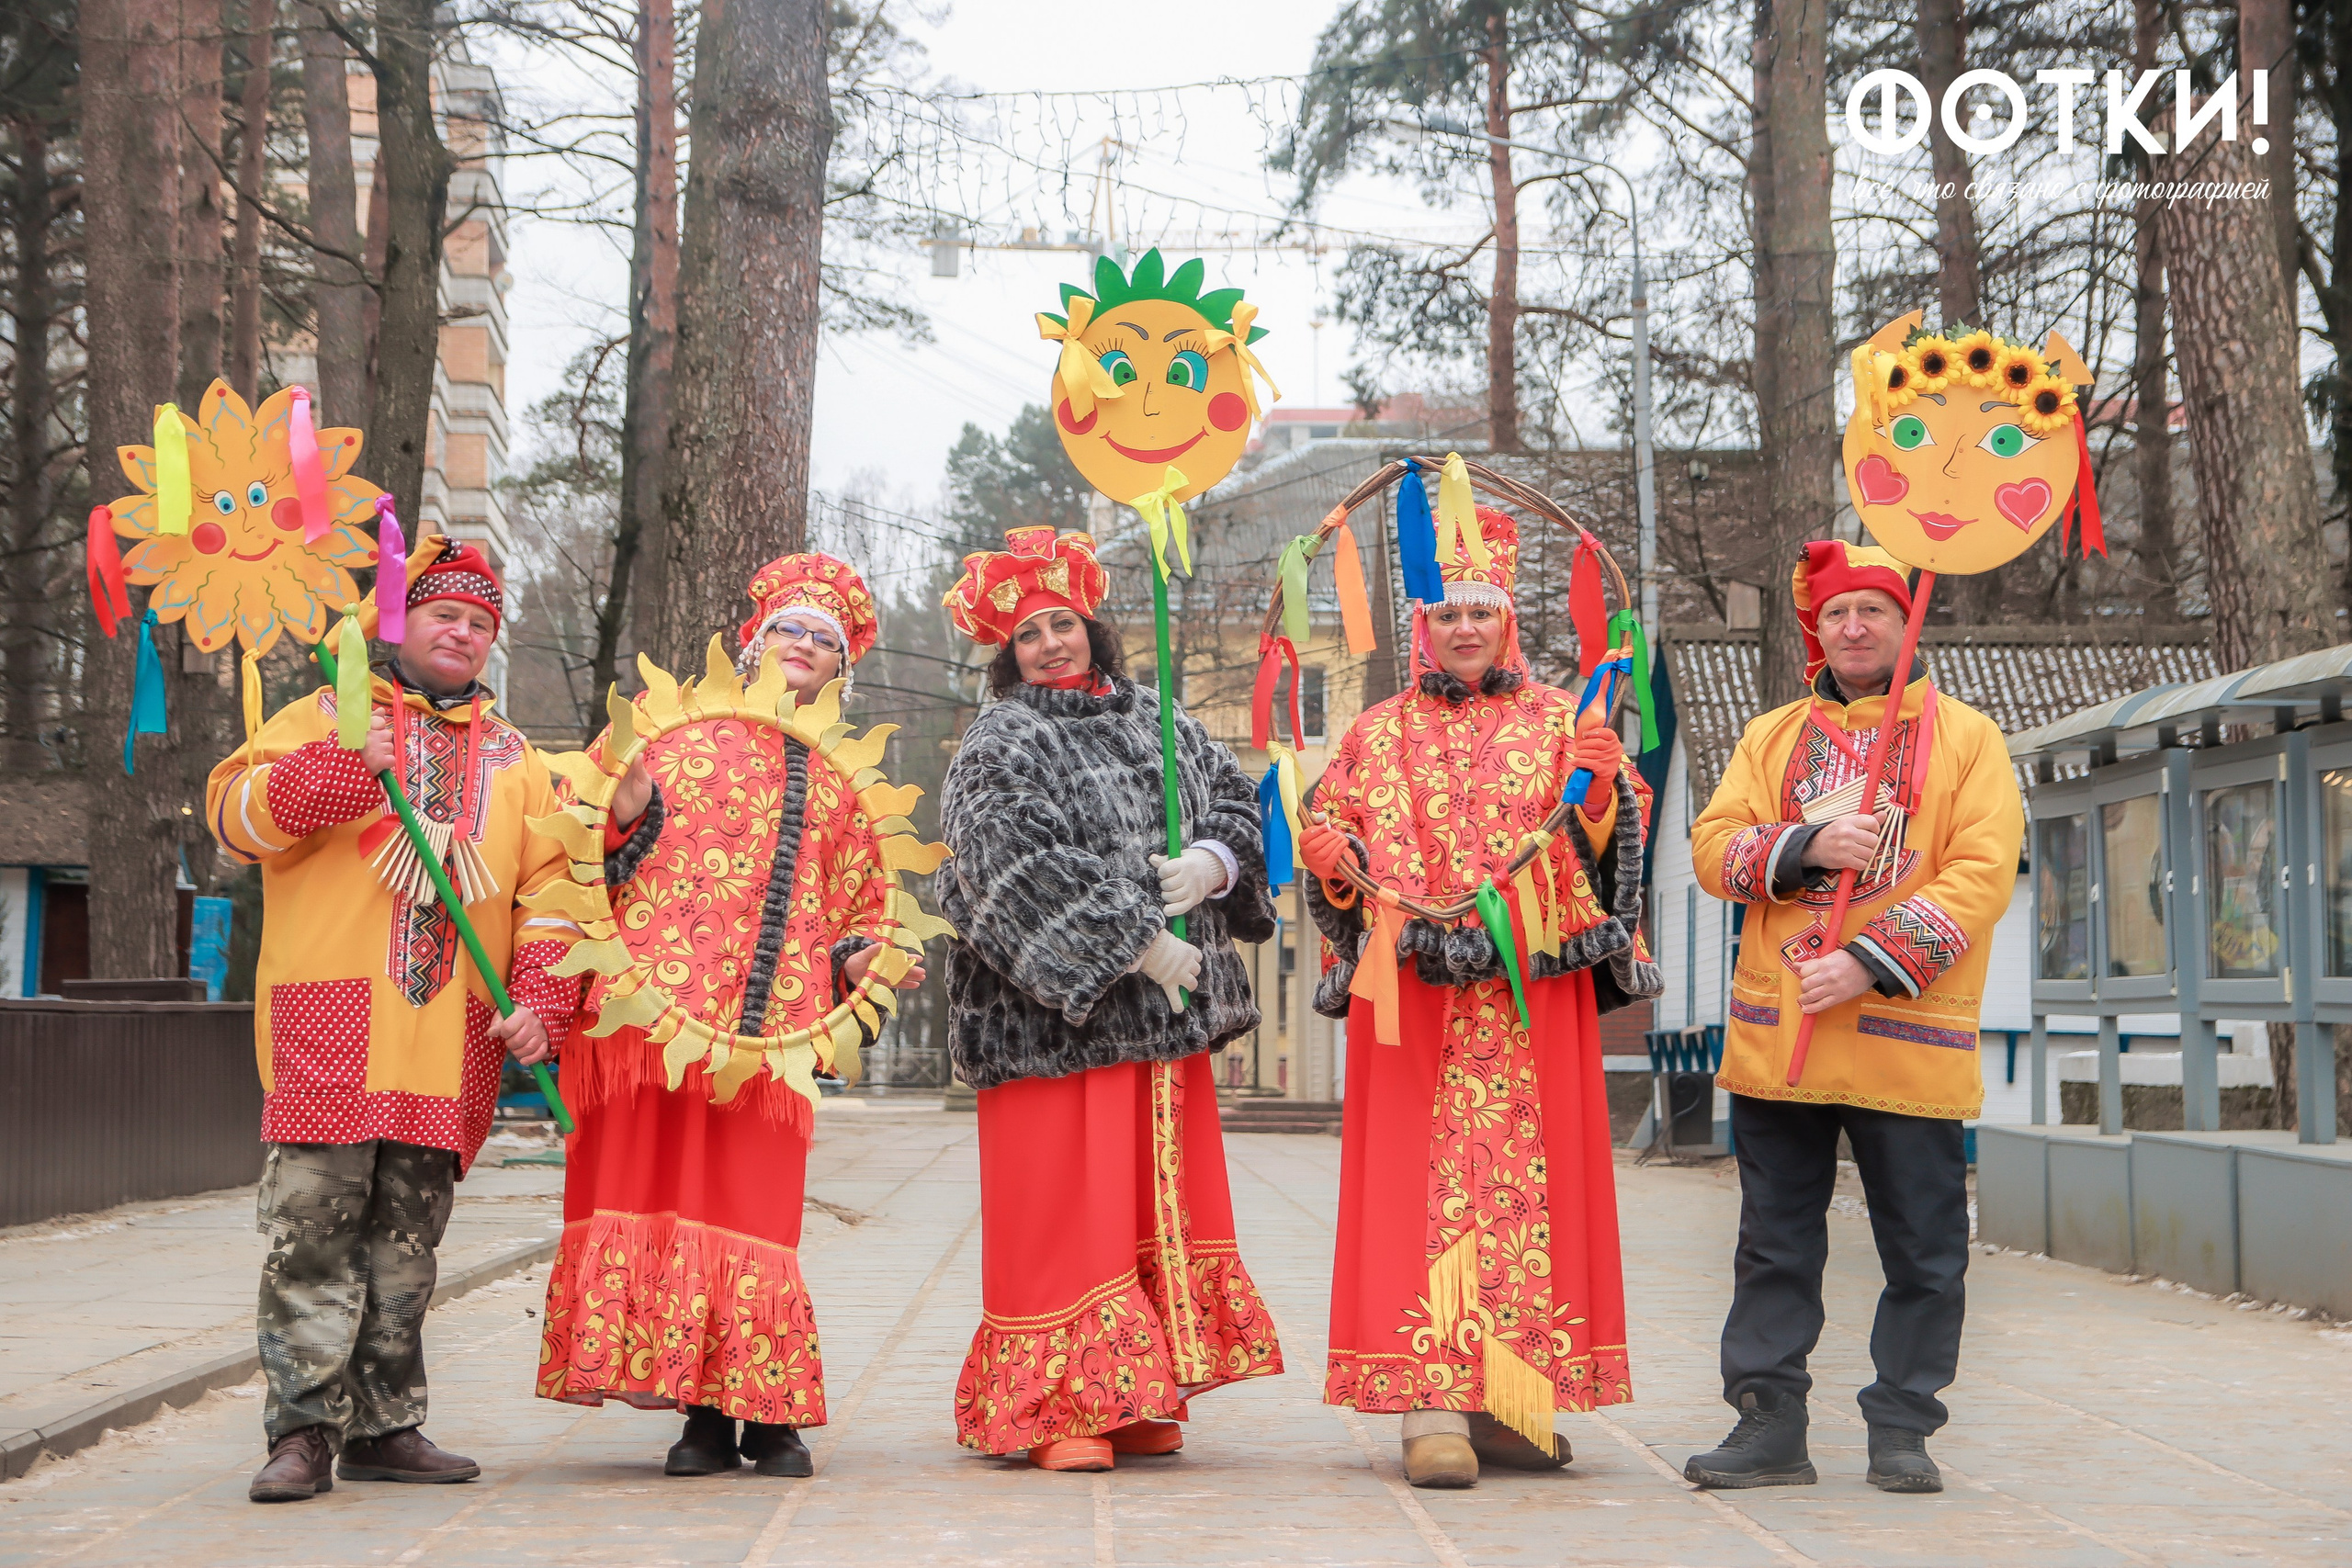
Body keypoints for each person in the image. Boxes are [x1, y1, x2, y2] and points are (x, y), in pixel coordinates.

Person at [208, 541, 587, 1504]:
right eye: (443, 613)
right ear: (398, 621)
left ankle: (386, 1425)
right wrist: (340, 764)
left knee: (407, 1249)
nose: (462, 632)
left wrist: (541, 1002)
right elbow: (235, 820)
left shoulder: (518, 760)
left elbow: (552, 891)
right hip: (330, 1021)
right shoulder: (325, 713)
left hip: (449, 1033)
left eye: (480, 622)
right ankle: (302, 1431)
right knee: (312, 1236)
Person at [535, 553, 922, 1480]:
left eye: (825, 639)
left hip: (768, 1041)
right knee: (669, 1205)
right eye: (791, 626)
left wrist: (864, 964)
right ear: (754, 640)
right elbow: (577, 848)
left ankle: (767, 1410)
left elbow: (863, 907)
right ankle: (702, 1415)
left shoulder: (848, 781)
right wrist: (621, 809)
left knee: (755, 1216)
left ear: (841, 669)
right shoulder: (666, 727)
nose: (805, 644)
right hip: (650, 1022)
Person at [1299, 508, 1659, 1489]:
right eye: (1447, 613)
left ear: (1509, 621)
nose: (1465, 628)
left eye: (1482, 611)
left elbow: (1610, 848)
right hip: (1413, 996)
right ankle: (1430, 1402)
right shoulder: (1375, 732)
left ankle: (1512, 1397)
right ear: (1423, 625)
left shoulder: (1565, 720)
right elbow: (1336, 842)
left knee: (1529, 1192)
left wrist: (1598, 795)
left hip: (1526, 994)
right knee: (1414, 1189)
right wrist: (1331, 861)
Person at [937, 525, 1284, 1472]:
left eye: (1062, 623)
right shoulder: (1001, 738)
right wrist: (1131, 940)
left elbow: (1236, 798)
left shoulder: (1164, 719)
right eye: (1028, 634)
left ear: (1092, 626)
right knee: (1064, 1207)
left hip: (1162, 1024)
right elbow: (1003, 861)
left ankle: (1135, 1392)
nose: (1050, 644)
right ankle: (1056, 1407)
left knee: (1145, 1203)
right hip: (1052, 1021)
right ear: (1008, 654)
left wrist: (1214, 863)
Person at [1687, 540, 2022, 1495]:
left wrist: (1869, 961)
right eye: (1837, 612)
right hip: (1781, 1041)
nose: (1854, 626)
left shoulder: (1969, 740)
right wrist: (1805, 845)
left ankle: (1903, 1426)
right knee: (1773, 1245)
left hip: (1904, 1044)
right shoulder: (1771, 736)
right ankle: (1769, 1422)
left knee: (1924, 1250)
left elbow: (1982, 871)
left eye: (1873, 608)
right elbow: (1713, 848)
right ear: (1817, 629)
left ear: (1906, 624)